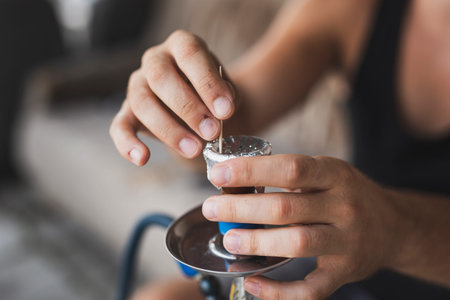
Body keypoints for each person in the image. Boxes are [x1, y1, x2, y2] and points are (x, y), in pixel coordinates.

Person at [110, 0, 450, 299]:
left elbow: (385, 229)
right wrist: (185, 103)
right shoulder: (353, 7)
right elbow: (240, 118)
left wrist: (394, 229)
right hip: (354, 278)